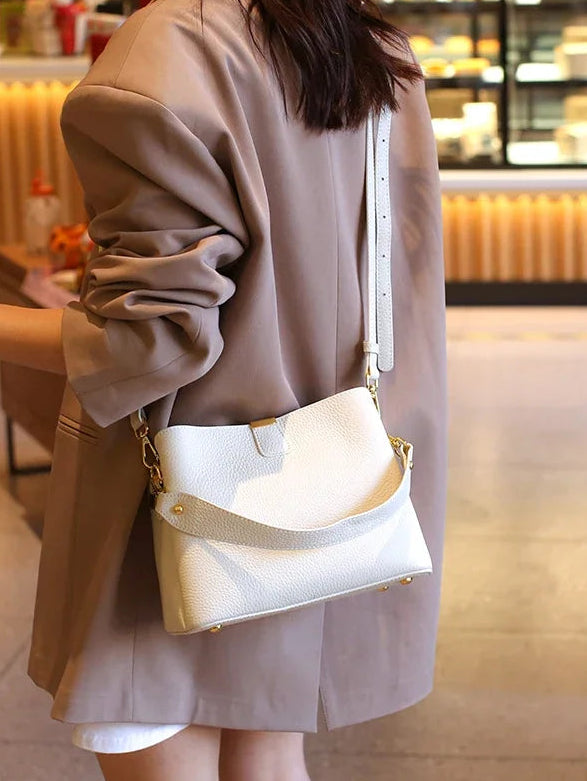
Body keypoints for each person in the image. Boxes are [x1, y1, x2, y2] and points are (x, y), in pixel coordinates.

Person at [0, 0, 447, 776]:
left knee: (153, 735)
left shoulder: (170, 45)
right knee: (267, 749)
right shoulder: (366, 40)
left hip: (180, 506)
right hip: (318, 487)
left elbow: (144, 340)